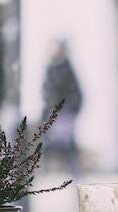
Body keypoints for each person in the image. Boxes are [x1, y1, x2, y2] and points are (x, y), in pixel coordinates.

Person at [41, 39, 83, 177]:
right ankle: (51, 172)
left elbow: (75, 92)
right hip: (54, 113)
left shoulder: (66, 68)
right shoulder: (51, 68)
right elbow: (47, 91)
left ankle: (73, 172)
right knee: (52, 144)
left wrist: (68, 110)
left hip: (64, 113)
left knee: (66, 145)